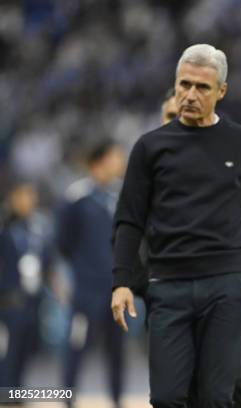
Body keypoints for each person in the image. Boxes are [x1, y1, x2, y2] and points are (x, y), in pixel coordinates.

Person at [111, 44, 241, 408]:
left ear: (222, 91)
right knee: (167, 397)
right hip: (167, 288)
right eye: (184, 84)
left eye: (202, 87)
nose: (190, 94)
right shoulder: (150, 147)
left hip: (225, 285)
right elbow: (129, 220)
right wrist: (122, 280)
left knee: (217, 399)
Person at [57, 140, 127, 408]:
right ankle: (66, 400)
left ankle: (117, 400)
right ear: (99, 162)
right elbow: (63, 244)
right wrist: (72, 277)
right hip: (85, 293)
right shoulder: (76, 199)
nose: (119, 163)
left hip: (115, 290)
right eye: (115, 158)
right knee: (76, 349)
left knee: (116, 352)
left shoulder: (120, 196)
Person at [0, 181, 51, 389]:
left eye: (31, 196)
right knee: (7, 351)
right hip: (8, 300)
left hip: (31, 297)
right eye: (22, 196)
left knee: (26, 349)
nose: (28, 201)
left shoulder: (37, 227)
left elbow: (48, 259)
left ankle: (17, 392)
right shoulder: (4, 227)